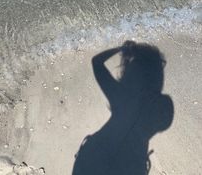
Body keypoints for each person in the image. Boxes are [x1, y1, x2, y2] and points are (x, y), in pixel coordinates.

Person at [72, 41, 174, 175]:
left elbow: (97, 62)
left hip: (93, 160)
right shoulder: (161, 105)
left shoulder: (122, 96)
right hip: (129, 166)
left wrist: (122, 49)